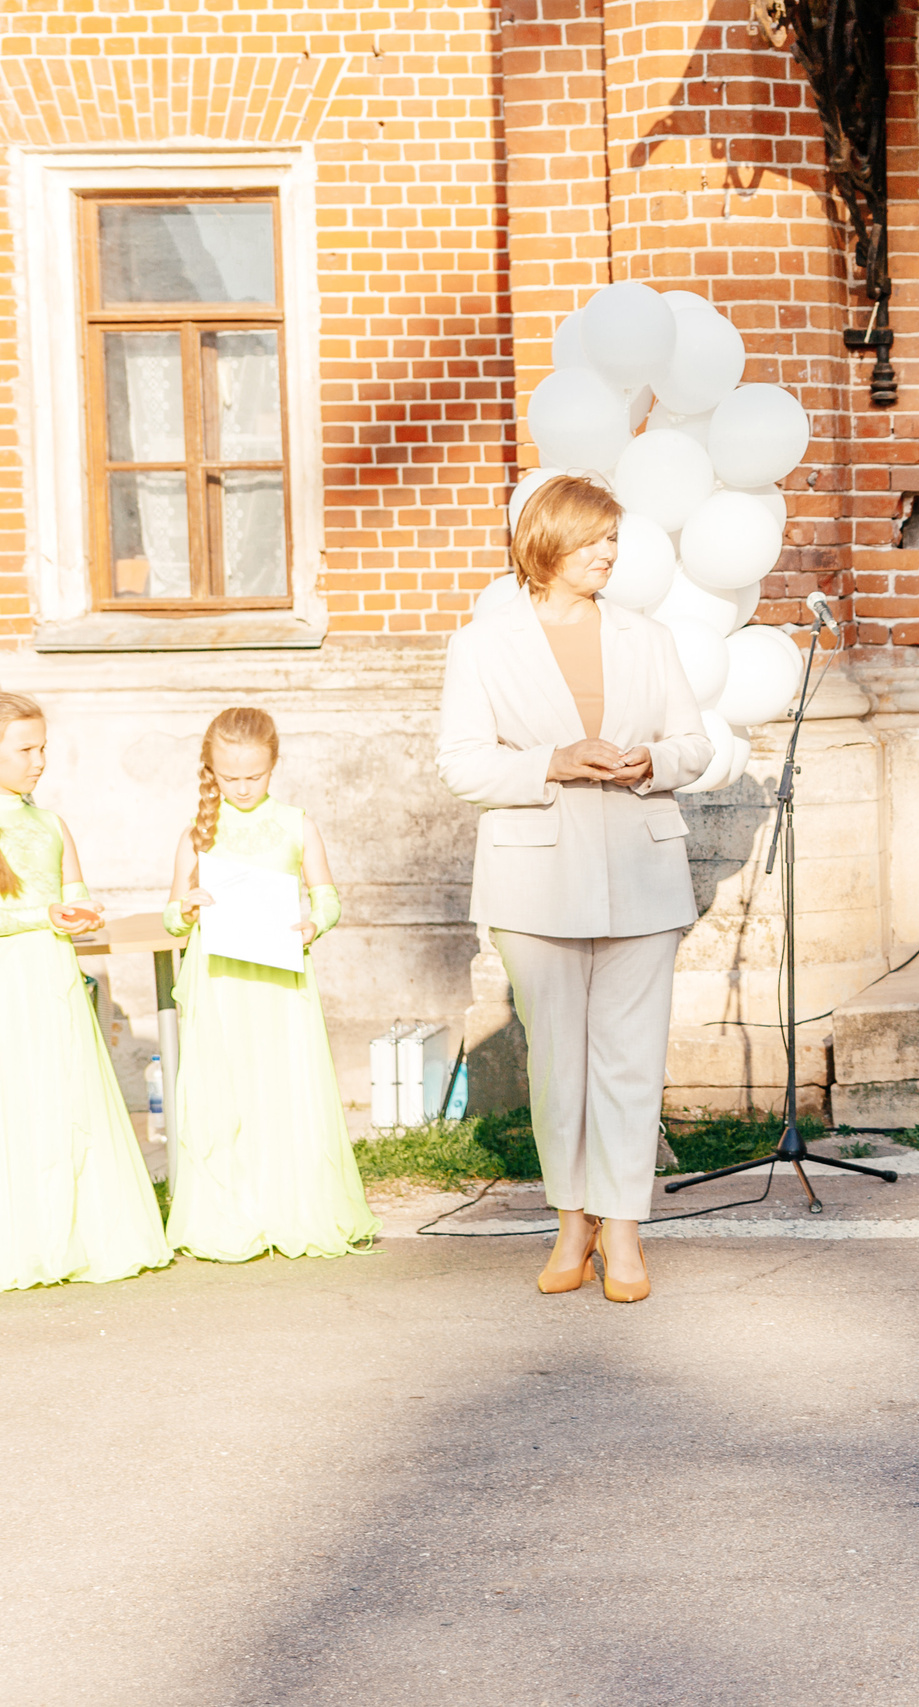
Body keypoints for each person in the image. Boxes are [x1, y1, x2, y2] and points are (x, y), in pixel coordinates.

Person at [436, 475, 713, 1303]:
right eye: (594, 539)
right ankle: (572, 1223)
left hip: (643, 868)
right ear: (547, 542)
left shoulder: (646, 635)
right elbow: (461, 762)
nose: (609, 553)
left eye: (613, 540)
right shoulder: (482, 643)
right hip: (534, 880)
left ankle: (623, 1231)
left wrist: (653, 761)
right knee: (560, 1064)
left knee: (631, 1060)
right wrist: (551, 761)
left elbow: (694, 744)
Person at [161, 707, 380, 1261]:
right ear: (210, 771)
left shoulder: (296, 823)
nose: (241, 787)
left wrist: (315, 922)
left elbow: (327, 896)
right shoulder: (197, 833)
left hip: (280, 981)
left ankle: (292, 1208)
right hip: (221, 983)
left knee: (285, 1087)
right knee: (226, 1092)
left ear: (274, 765)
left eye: (253, 776)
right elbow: (170, 917)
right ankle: (231, 1215)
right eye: (228, 777)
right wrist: (186, 907)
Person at [0, 692, 173, 1291]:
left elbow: (72, 889)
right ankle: (23, 1238)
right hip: (9, 978)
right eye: (25, 748)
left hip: (51, 973)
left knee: (65, 1093)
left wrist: (81, 911)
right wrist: (43, 914)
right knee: (16, 1097)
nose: (39, 759)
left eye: (43, 746)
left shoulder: (50, 823)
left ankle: (78, 1232)